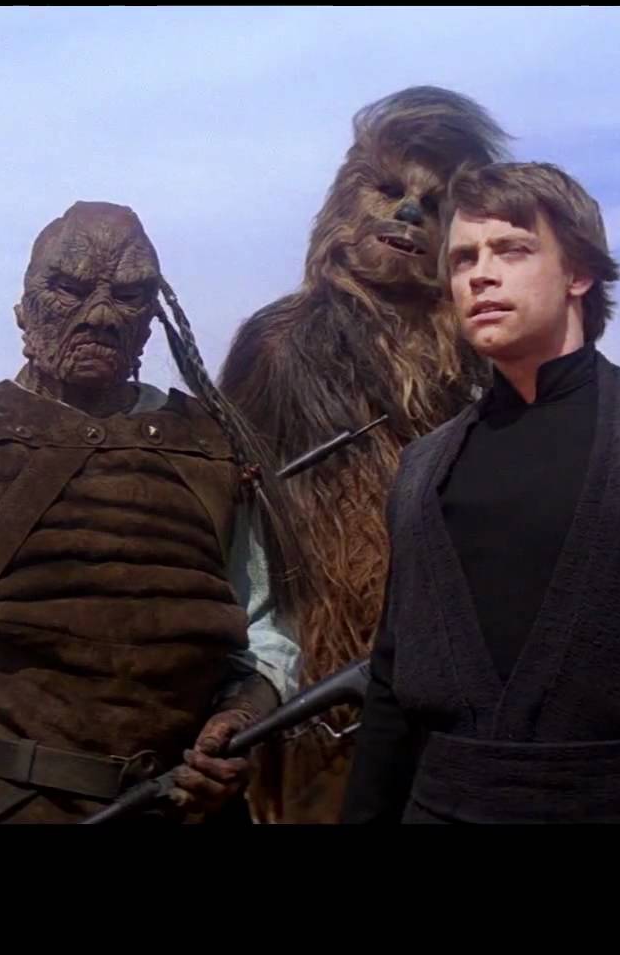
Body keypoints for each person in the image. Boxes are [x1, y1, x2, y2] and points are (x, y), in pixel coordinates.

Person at [0, 201, 301, 824]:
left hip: (190, 802)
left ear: (151, 321)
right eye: (70, 290)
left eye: (128, 296)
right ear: (24, 310)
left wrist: (241, 717)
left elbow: (263, 631)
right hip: (18, 798)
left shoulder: (212, 442)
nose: (100, 316)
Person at [340, 162, 620, 823]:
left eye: (511, 250)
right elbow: (390, 690)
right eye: (463, 258)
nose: (480, 275)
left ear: (578, 273)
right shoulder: (423, 468)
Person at [217, 85, 509, 823]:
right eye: (388, 190)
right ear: (346, 200)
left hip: (451, 696)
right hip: (316, 698)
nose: (408, 214)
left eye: (433, 204)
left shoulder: (480, 367)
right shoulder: (280, 344)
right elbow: (224, 522)